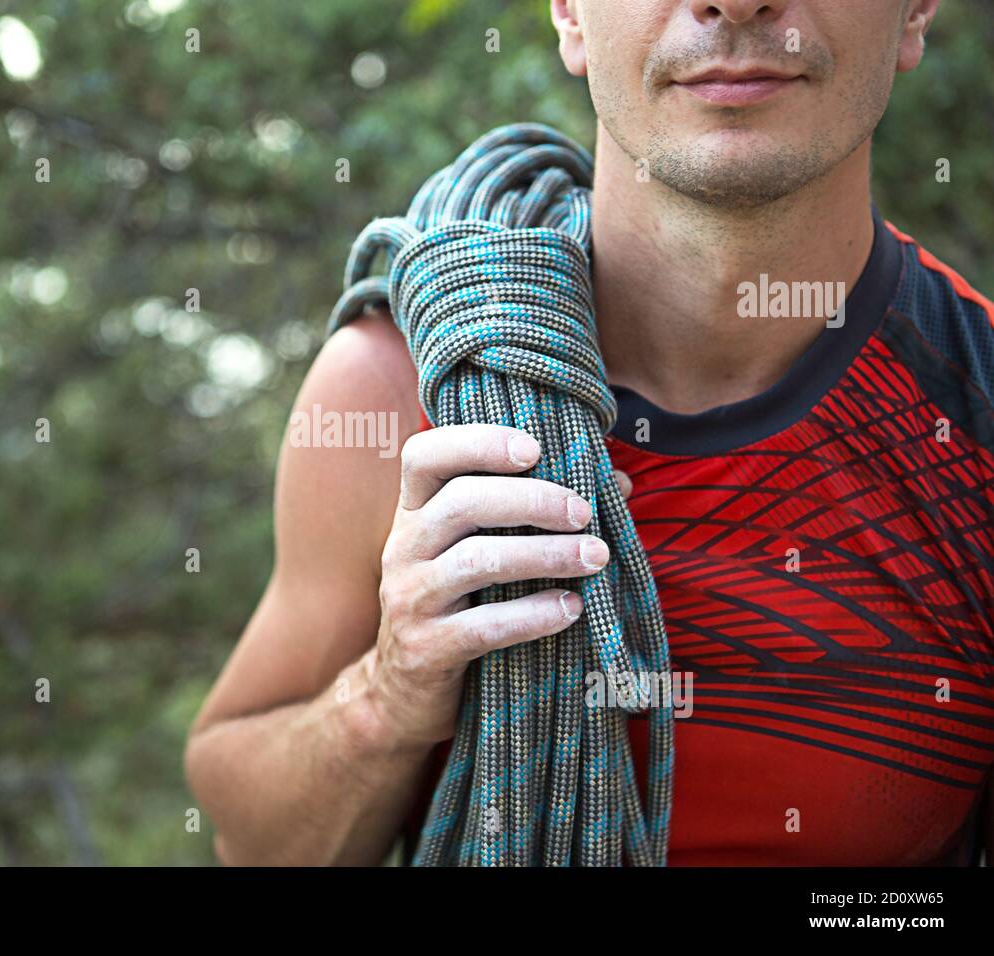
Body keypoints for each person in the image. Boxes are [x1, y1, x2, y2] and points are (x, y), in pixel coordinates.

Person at [185, 0, 994, 865]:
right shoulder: (398, 391)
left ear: (914, 13)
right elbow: (249, 839)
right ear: (570, 13)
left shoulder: (971, 419)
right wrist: (384, 699)